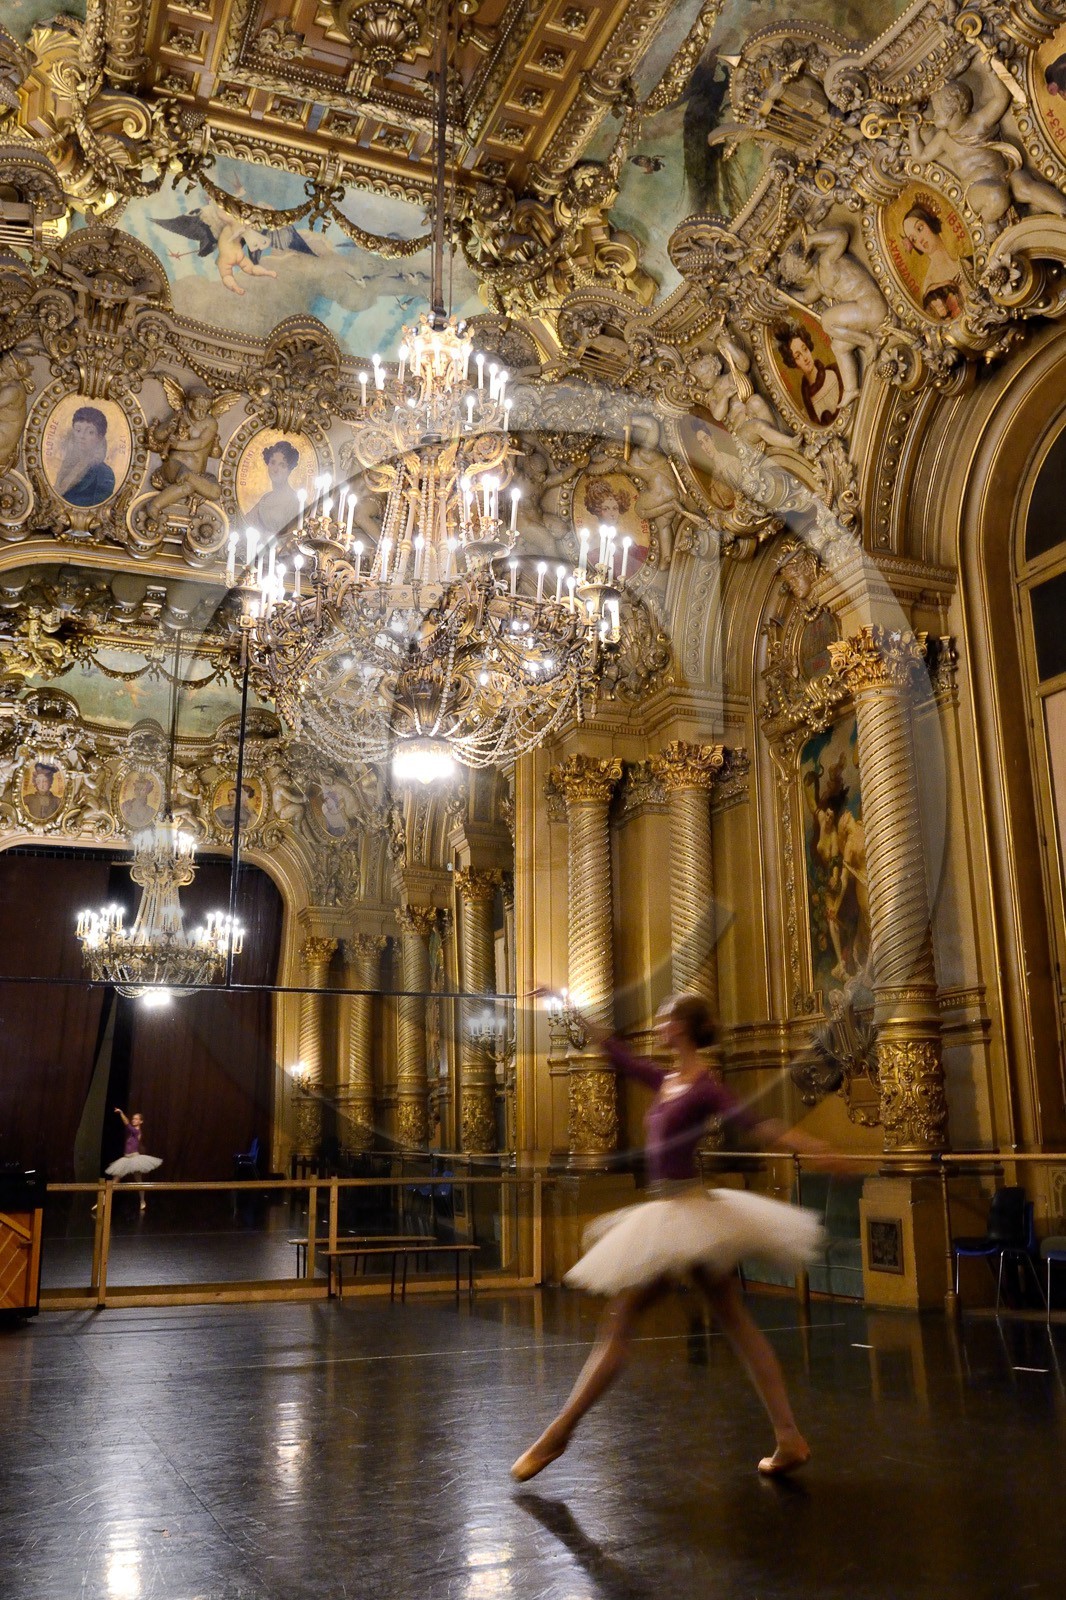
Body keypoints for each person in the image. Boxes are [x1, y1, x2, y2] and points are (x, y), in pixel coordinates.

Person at [511, 991, 844, 1485]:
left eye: (666, 1018)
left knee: (623, 1323)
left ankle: (559, 1432)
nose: (660, 1025)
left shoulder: (705, 1087)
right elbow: (615, 1052)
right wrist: (567, 1004)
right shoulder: (666, 1080)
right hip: (674, 1215)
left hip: (685, 1218)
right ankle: (788, 1435)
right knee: (733, 1323)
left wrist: (815, 1147)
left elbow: (755, 1123)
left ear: (682, 1028)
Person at [902, 204, 971, 314]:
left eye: (920, 228)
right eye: (913, 239)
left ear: (930, 222)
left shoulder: (966, 261)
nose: (919, 240)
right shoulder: (930, 285)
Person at [776, 324, 843, 425]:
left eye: (805, 349)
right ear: (793, 363)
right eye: (798, 356)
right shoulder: (807, 406)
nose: (805, 358)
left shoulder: (834, 374)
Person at [53, 405, 115, 507]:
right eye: (78, 430)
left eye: (90, 432)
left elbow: (99, 511)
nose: (82, 436)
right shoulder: (67, 464)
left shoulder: (104, 473)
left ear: (99, 438)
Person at [103, 1107, 162, 1214]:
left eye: (136, 1119)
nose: (133, 1120)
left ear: (141, 1121)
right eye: (133, 1118)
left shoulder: (136, 1131)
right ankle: (103, 1200)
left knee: (138, 1181)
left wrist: (121, 1113)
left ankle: (142, 1201)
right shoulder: (132, 1133)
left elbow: (126, 1123)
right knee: (115, 1180)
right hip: (126, 1159)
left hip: (135, 1159)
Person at [250, 439, 301, 535]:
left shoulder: (297, 502)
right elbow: (246, 523)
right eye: (273, 462)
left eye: (282, 465)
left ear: (289, 469)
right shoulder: (265, 499)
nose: (275, 469)